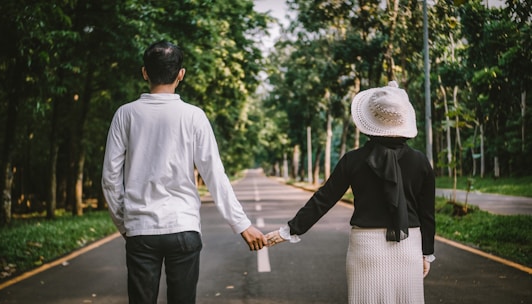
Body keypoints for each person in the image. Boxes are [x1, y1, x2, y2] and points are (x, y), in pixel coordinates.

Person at [101, 40, 267, 304]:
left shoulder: (125, 115)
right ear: (181, 74)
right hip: (183, 228)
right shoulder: (194, 116)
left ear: (145, 72)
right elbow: (214, 174)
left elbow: (110, 178)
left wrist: (126, 224)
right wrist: (242, 225)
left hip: (140, 230)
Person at [265, 81, 435, 304]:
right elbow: (427, 215)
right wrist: (426, 253)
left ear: (370, 121)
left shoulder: (353, 160)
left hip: (366, 249)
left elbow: (324, 199)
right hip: (407, 248)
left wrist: (289, 231)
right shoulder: (420, 162)